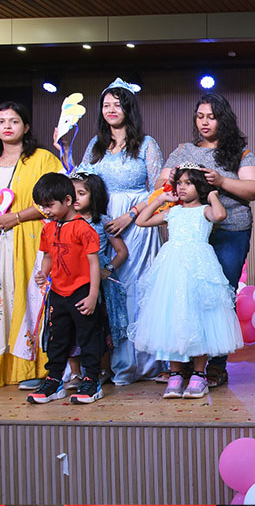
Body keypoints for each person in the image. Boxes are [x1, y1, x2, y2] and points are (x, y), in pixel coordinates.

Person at [60, 78, 163, 385]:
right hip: (102, 222)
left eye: (118, 104)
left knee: (134, 290)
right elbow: (78, 181)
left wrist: (131, 215)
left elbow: (158, 190)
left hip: (138, 224)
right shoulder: (96, 144)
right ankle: (105, 364)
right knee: (105, 289)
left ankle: (140, 363)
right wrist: (65, 150)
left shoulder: (147, 144)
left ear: (129, 108)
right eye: (106, 105)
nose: (111, 110)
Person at [156, 93, 255, 387]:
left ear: (223, 119)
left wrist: (221, 181)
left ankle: (215, 365)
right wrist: (172, 181)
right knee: (184, 297)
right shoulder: (183, 151)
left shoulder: (239, 152)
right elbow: (160, 184)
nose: (205, 122)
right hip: (191, 236)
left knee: (218, 297)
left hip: (229, 230)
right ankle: (181, 364)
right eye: (200, 116)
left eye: (211, 117)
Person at [130, 166, 243, 399]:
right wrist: (160, 199)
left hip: (199, 268)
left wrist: (213, 195)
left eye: (188, 183)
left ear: (199, 187)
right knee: (173, 316)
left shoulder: (204, 210)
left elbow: (219, 216)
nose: (182, 187)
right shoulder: (173, 212)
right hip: (172, 269)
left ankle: (199, 375)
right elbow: (141, 221)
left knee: (200, 316)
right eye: (179, 183)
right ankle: (175, 374)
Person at [0, 102, 64, 387]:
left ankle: (32, 369)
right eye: (2, 121)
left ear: (26, 127)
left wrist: (15, 217)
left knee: (29, 299)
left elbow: (56, 196)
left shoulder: (42, 158)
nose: (7, 126)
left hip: (29, 239)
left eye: (14, 121)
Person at [26, 173, 102, 405]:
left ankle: (91, 380)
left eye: (49, 205)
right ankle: (54, 380)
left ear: (68, 200)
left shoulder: (84, 229)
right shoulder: (48, 229)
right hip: (57, 293)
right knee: (57, 339)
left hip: (81, 292)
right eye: (43, 206)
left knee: (88, 337)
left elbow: (94, 264)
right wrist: (43, 273)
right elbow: (48, 256)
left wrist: (92, 295)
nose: (46, 211)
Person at [65, 170, 128, 389]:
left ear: (95, 195)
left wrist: (107, 270)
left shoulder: (102, 222)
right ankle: (75, 373)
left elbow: (121, 251)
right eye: (72, 193)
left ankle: (103, 368)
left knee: (99, 325)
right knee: (70, 325)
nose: (75, 198)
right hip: (71, 280)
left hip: (96, 283)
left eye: (81, 193)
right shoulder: (65, 222)